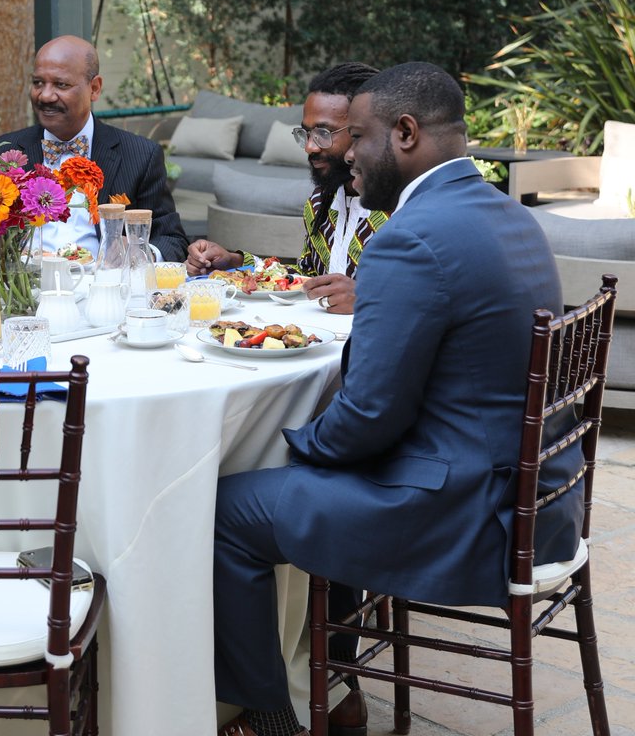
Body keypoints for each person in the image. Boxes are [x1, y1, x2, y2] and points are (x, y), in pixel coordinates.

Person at [212, 63, 584, 736]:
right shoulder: (508, 214)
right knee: (320, 477)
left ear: (406, 134)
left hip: (469, 517)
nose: (347, 153)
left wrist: (295, 446)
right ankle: (335, 682)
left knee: (228, 508)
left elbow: (369, 419)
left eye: (359, 136)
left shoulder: (410, 240)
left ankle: (267, 719)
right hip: (542, 503)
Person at [187, 63, 388, 314]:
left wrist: (366, 298)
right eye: (306, 133)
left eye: (324, 133)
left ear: (363, 130)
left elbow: (432, 301)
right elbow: (306, 279)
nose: (310, 148)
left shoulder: (402, 209)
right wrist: (235, 262)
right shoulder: (320, 203)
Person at [0, 34, 189, 262]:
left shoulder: (140, 156)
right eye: (38, 83)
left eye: (60, 84)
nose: (45, 95)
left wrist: (140, 252)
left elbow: (172, 240)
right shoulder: (0, 155)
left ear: (94, 88)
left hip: (105, 289)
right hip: (22, 290)